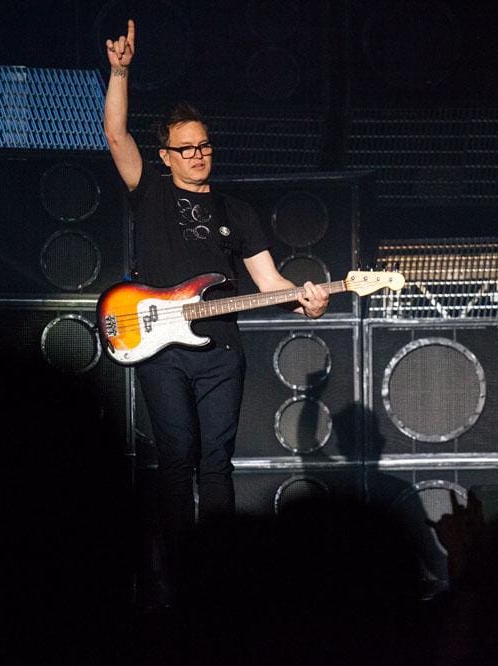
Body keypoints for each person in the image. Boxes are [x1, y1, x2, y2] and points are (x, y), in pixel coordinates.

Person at [103, 20, 330, 602]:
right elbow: (115, 135)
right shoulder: (151, 191)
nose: (198, 155)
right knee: (176, 458)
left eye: (204, 145)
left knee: (216, 462)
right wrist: (121, 72)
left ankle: (221, 583)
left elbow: (270, 282)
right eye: (186, 148)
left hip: (221, 352)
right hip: (161, 349)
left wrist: (306, 302)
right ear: (166, 155)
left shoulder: (238, 211)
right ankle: (177, 580)